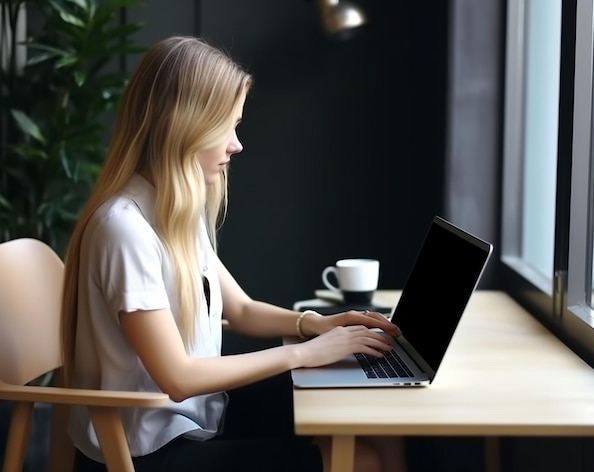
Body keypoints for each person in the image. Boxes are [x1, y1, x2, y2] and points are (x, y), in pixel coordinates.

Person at [61, 35, 407, 472]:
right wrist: (304, 353)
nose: (236, 144)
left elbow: (240, 309)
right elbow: (178, 378)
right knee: (362, 461)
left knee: (372, 412)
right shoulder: (124, 230)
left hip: (198, 418)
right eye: (226, 126)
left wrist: (315, 325)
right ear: (183, 126)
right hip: (147, 451)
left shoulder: (172, 212)